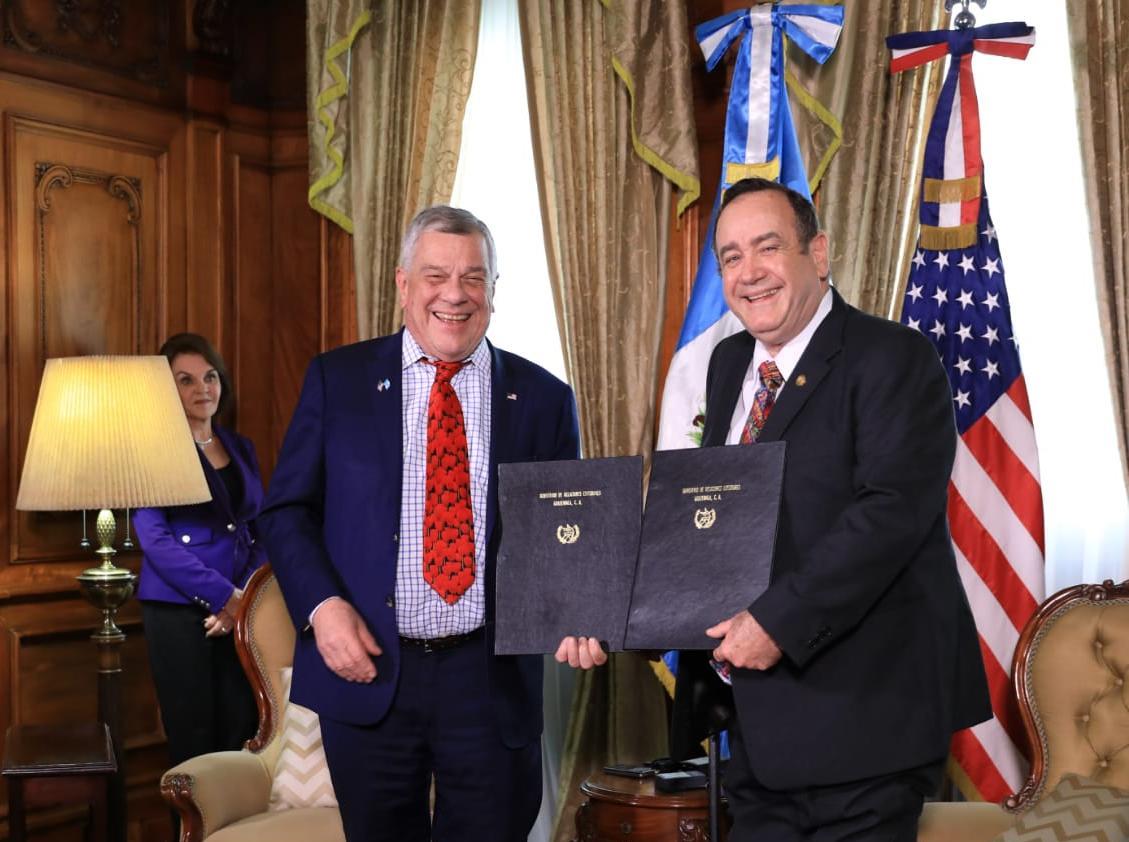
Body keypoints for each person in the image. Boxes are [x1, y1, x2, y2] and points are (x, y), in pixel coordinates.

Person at [259, 205, 605, 842]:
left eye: (474, 278)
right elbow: (285, 511)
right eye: (436, 275)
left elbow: (567, 535)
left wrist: (581, 610)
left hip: (489, 681)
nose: (454, 294)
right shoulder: (339, 380)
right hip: (369, 672)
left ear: (494, 293)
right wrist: (323, 607)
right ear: (402, 285)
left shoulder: (545, 398)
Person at [672, 177, 991, 841]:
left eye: (767, 248)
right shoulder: (729, 361)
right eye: (730, 257)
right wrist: (602, 612)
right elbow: (717, 513)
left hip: (865, 723)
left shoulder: (894, 357)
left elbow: (889, 515)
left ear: (816, 254)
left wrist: (776, 622)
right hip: (758, 731)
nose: (749, 273)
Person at [134, 333, 267, 768]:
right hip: (177, 611)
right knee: (193, 734)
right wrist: (223, 596)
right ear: (166, 390)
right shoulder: (153, 450)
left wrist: (241, 599)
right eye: (185, 380)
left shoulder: (239, 445)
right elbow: (154, 540)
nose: (202, 389)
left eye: (209, 377)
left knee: (241, 726)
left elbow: (258, 528)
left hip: (240, 611)